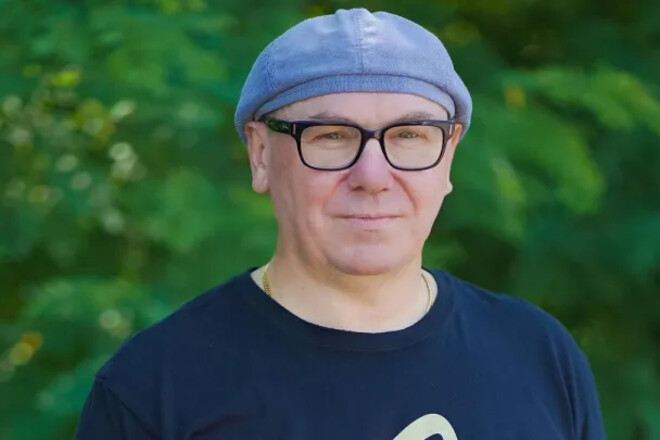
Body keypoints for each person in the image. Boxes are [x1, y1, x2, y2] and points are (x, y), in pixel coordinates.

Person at [75, 8, 605, 439]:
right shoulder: (155, 389)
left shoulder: (538, 356)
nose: (372, 176)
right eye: (331, 136)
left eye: (409, 136)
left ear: (449, 155)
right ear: (260, 155)